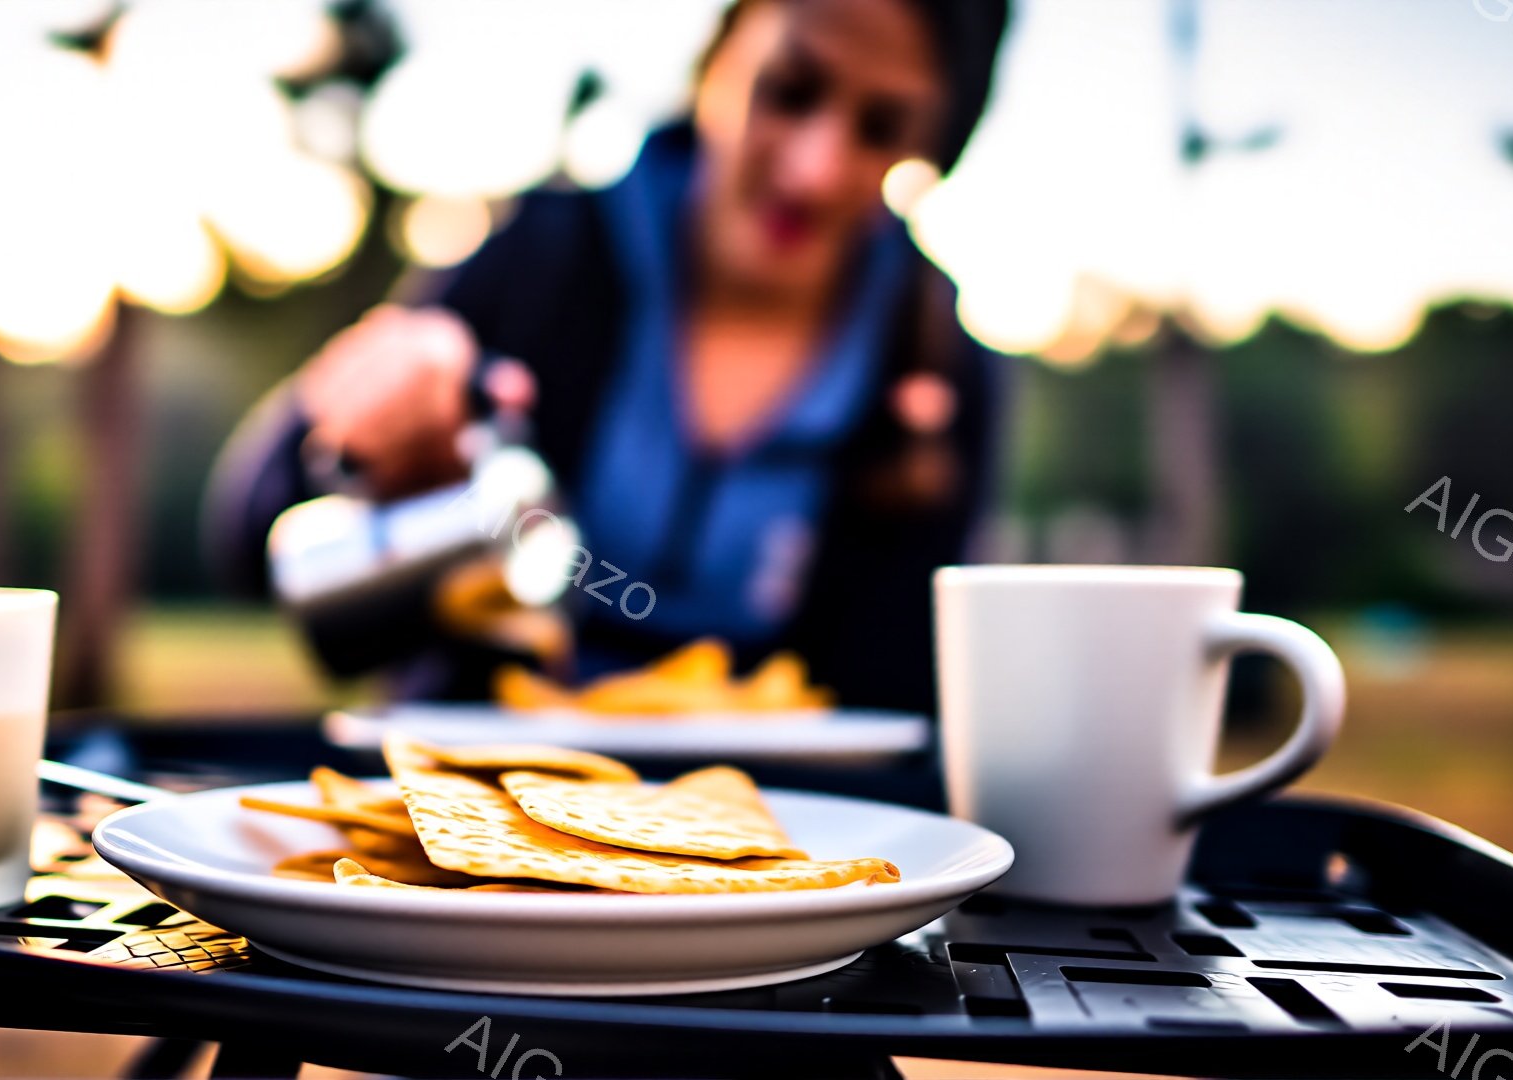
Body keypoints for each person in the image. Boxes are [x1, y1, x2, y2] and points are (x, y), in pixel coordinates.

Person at [205, 0, 1010, 713]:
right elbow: (247, 537)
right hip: (474, 823)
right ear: (717, 57)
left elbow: (894, 703)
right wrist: (360, 441)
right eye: (790, 89)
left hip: (780, 849)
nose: (815, 168)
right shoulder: (541, 259)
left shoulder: (933, 376)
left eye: (881, 129)